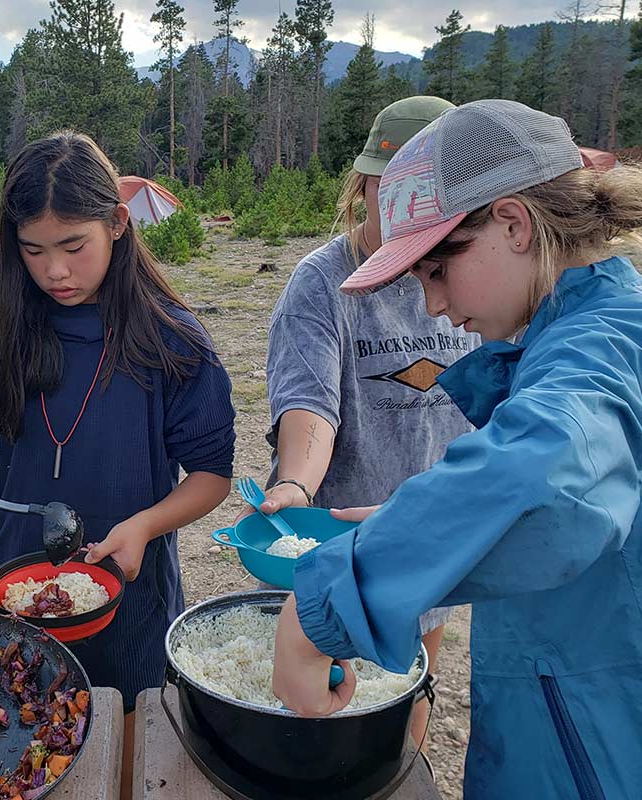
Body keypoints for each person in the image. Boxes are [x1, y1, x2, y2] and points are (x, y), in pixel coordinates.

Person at [271, 99, 642, 799]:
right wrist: (406, 526)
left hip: (623, 749)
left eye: (436, 273)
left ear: (512, 223)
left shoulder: (609, 347)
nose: (431, 307)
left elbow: (545, 470)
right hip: (581, 715)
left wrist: (318, 610)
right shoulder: (609, 326)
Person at [0, 131, 235, 799]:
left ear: (117, 223)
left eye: (73, 246)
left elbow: (211, 477)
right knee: (18, 747)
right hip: (15, 595)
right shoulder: (1, 343)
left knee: (123, 751)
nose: (54, 272)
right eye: (33, 251)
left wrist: (146, 525)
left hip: (129, 600)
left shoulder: (171, 342)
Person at [256, 95, 476, 751]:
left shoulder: (478, 276)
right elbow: (309, 403)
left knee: (408, 692)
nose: (407, 216)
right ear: (363, 186)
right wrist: (296, 485)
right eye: (390, 194)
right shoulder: (322, 284)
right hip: (345, 547)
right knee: (329, 710)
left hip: (437, 534)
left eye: (429, 199)